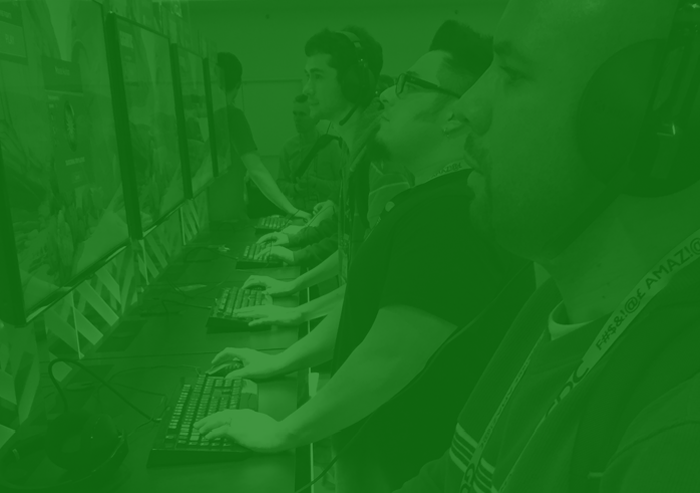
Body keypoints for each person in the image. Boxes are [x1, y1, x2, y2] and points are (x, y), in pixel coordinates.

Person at [195, 21, 534, 493]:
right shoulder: (427, 199)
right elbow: (369, 305)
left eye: (409, 85)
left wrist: (282, 431)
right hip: (376, 458)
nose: (388, 95)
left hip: (401, 470)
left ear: (456, 114)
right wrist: (279, 362)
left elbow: (390, 357)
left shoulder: (449, 213)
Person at [393, 0, 700, 492]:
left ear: (645, 117)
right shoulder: (553, 305)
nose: (466, 108)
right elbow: (451, 478)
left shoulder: (677, 436)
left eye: (512, 72)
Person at [236, 26, 410, 326]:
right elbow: (350, 250)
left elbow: (374, 281)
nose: (307, 89)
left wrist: (296, 313)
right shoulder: (355, 150)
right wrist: (293, 286)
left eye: (317, 76)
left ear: (352, 81)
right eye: (307, 76)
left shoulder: (381, 159)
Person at [216, 52, 311, 220]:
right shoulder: (232, 116)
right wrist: (291, 210)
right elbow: (257, 170)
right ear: (238, 84)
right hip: (229, 216)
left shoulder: (210, 116)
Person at [277, 94, 343, 213]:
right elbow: (281, 183)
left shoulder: (332, 146)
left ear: (315, 117)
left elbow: (343, 185)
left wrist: (316, 183)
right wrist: (295, 189)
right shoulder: (288, 148)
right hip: (297, 213)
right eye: (295, 113)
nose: (297, 119)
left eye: (302, 114)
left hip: (326, 213)